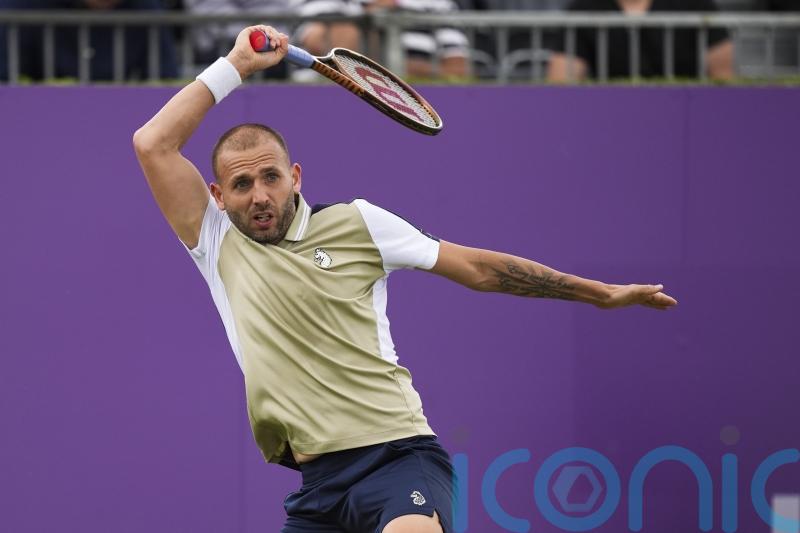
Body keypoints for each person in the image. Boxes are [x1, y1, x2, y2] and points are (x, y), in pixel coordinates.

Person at [132, 25, 677, 533]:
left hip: (398, 457)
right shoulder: (215, 241)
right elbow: (152, 143)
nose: (259, 195)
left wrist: (599, 293)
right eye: (243, 183)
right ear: (217, 195)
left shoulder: (358, 223)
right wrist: (236, 64)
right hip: (316, 486)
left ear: (295, 177)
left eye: (271, 177)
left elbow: (479, 269)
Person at [546, 0, 735, 82]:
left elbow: (724, 77)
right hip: (610, 119)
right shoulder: (583, 9)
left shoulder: (694, 4)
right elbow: (561, 81)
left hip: (684, 116)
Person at [0, 0, 178, 82]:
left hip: (117, 116)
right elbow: (7, 79)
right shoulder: (21, 8)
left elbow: (165, 78)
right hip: (37, 116)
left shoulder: (148, 11)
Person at [293, 0, 470, 79]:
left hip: (407, 107)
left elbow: (458, 69)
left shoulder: (439, 3)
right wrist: (374, 15)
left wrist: (389, 73)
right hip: (330, 99)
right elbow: (322, 44)